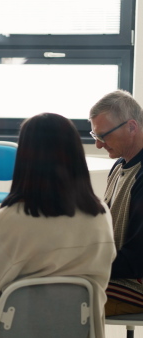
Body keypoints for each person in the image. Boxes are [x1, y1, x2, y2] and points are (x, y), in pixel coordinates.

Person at [0, 113, 116, 338]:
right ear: (76, 154)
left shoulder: (7, 221)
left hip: (9, 330)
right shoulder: (100, 215)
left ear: (25, 158)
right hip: (78, 330)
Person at [89, 90, 143, 316]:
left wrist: (78, 261)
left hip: (135, 282)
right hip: (122, 272)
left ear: (132, 127)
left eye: (104, 136)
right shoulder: (120, 164)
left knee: (61, 297)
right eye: (95, 136)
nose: (99, 145)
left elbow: (137, 260)